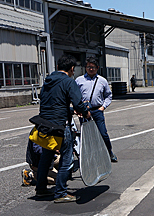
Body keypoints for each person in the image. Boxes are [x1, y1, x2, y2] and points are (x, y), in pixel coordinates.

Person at [35, 54, 91, 203]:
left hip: (45, 126)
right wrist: (85, 112)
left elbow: (53, 102)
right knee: (66, 159)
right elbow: (78, 103)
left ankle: (40, 189)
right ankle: (60, 193)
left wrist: (70, 110)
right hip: (61, 125)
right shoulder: (68, 81)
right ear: (72, 69)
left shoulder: (48, 81)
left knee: (46, 158)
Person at [75, 56, 118, 162]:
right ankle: (90, 157)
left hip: (97, 110)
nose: (91, 69)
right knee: (87, 135)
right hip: (84, 111)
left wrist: (103, 107)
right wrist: (78, 108)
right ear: (85, 67)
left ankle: (109, 152)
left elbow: (108, 95)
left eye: (93, 67)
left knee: (103, 133)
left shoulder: (102, 81)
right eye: (89, 67)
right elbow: (74, 96)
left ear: (97, 68)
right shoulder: (79, 80)